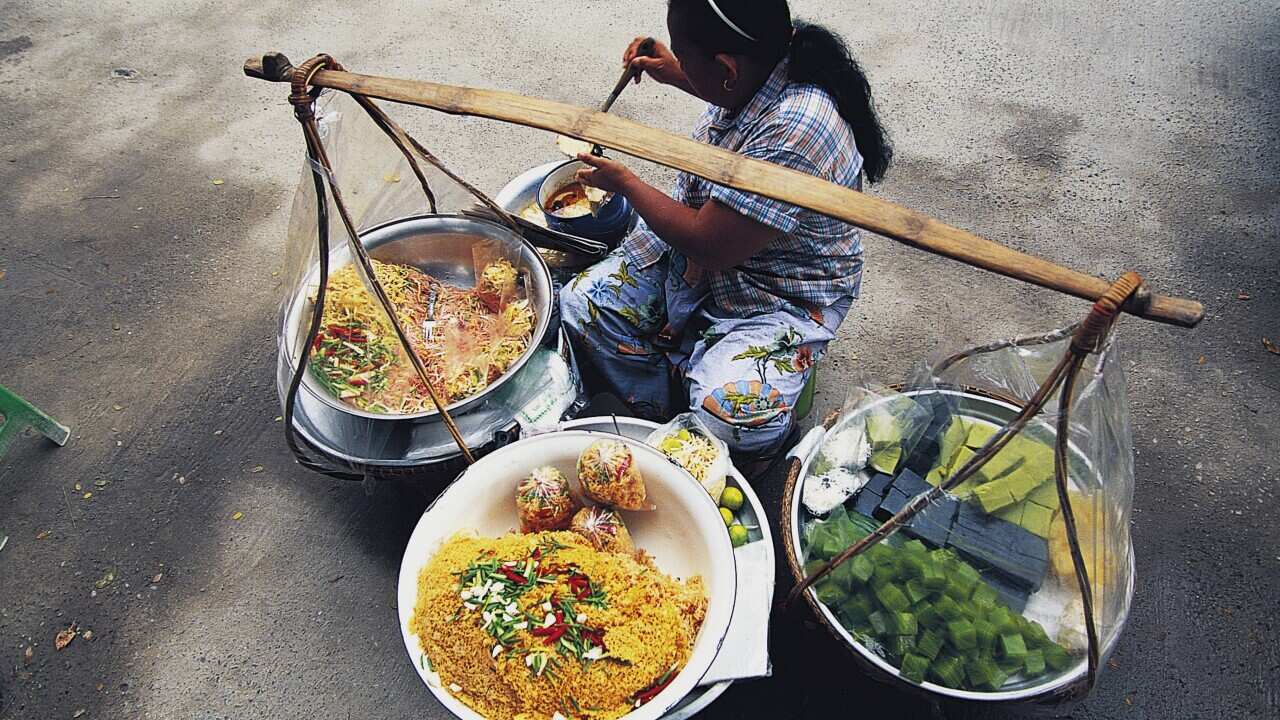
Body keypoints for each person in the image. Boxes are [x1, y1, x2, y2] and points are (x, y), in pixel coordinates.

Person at [560, 0, 892, 455]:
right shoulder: (766, 61)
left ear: (726, 70)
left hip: (778, 288)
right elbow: (737, 94)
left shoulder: (799, 130)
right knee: (582, 308)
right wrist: (676, 70)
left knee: (731, 416)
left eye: (684, 52)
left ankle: (731, 422)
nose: (678, 58)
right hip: (708, 245)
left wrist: (624, 183)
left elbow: (709, 244)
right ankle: (665, 400)